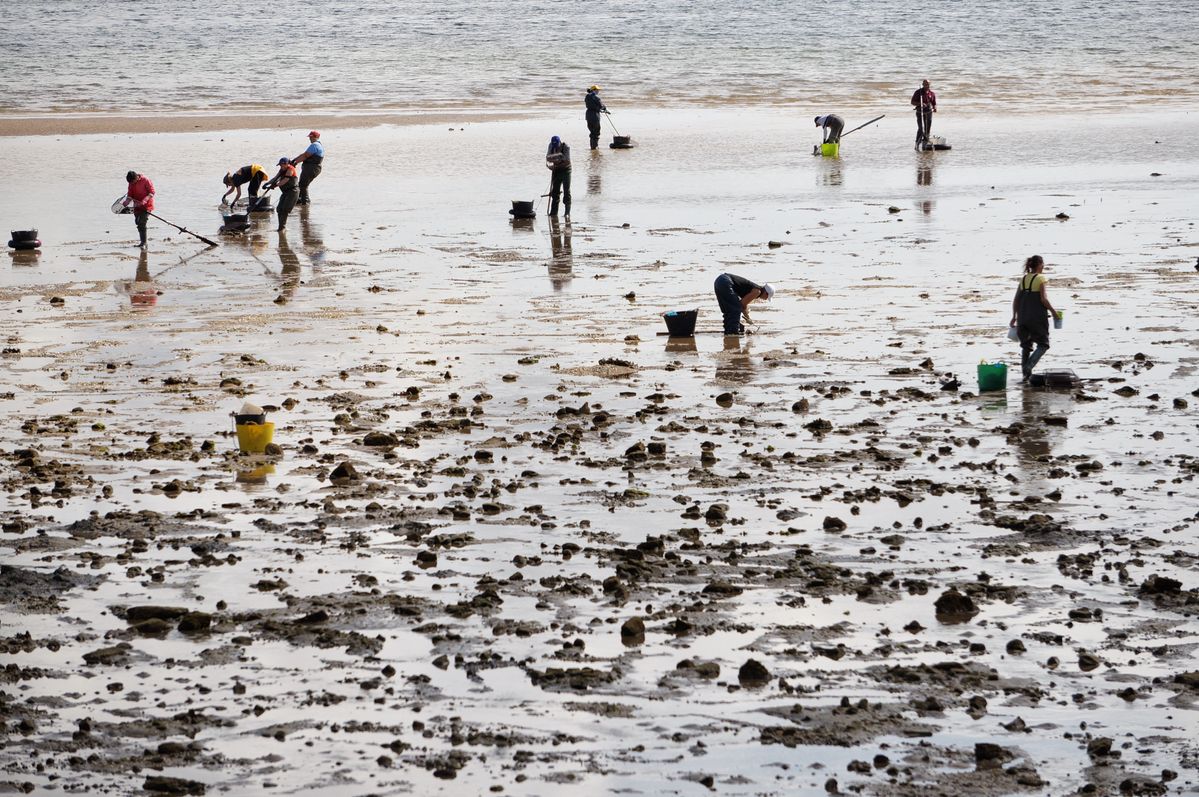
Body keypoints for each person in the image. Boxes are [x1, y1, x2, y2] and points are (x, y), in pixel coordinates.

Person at [1010, 255, 1059, 382]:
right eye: (1043, 264)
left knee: (1026, 346)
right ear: (1039, 264)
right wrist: (1053, 312)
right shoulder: (1041, 278)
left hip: (1022, 318)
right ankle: (1028, 368)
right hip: (1037, 318)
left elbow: (1016, 300)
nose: (1044, 267)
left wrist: (1014, 316)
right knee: (1043, 345)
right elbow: (1043, 299)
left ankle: (1025, 377)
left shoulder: (1024, 279)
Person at [262, 157, 299, 231]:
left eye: (282, 165)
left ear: (287, 164)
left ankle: (282, 228)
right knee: (279, 209)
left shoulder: (290, 169)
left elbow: (285, 180)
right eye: (280, 165)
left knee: (285, 209)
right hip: (285, 192)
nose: (281, 167)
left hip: (293, 192)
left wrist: (275, 186)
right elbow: (276, 178)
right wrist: (268, 183)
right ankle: (280, 227)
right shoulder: (281, 170)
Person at [121, 170, 155, 249]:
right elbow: (129, 195)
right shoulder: (131, 183)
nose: (132, 184)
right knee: (138, 223)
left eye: (133, 182)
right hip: (136, 206)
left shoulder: (145, 180)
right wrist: (126, 202)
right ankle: (142, 242)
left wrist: (144, 201)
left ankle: (144, 243)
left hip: (147, 205)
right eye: (130, 183)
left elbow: (152, 192)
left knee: (142, 222)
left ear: (137, 177)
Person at [292, 131, 324, 205]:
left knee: (303, 185)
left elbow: (305, 156)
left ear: (316, 137)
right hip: (314, 168)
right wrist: (294, 160)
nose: (310, 138)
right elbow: (304, 154)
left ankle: (305, 203)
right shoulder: (318, 145)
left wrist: (295, 162)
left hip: (311, 168)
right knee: (303, 185)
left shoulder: (314, 145)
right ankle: (301, 200)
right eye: (309, 137)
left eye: (311, 137)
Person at [545, 135, 572, 220]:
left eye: (556, 145)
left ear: (560, 142)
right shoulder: (551, 146)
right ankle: (553, 213)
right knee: (555, 192)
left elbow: (567, 161)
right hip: (556, 170)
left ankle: (567, 213)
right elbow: (548, 158)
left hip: (566, 170)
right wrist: (550, 166)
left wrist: (556, 163)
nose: (555, 147)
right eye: (554, 145)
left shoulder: (566, 147)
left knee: (566, 191)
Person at [911, 79, 937, 149]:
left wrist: (934, 108)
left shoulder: (932, 93)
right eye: (925, 84)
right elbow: (912, 102)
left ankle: (925, 143)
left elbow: (934, 103)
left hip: (929, 112)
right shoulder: (918, 92)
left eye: (927, 84)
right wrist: (921, 104)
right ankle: (917, 143)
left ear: (929, 85)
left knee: (927, 128)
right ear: (922, 84)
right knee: (921, 128)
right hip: (920, 112)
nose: (926, 85)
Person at [584, 86, 608, 150]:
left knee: (592, 131)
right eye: (597, 90)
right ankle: (595, 147)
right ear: (594, 90)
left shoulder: (587, 97)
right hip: (595, 115)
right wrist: (605, 108)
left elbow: (592, 106)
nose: (598, 91)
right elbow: (601, 106)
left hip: (588, 115)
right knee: (596, 131)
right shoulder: (595, 97)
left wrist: (599, 109)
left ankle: (592, 146)